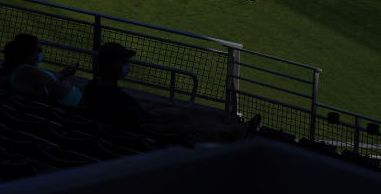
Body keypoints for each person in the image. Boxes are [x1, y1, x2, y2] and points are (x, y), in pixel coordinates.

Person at [82, 42, 260, 144]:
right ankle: (232, 133)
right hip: (144, 135)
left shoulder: (92, 87)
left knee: (178, 114)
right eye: (124, 61)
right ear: (114, 66)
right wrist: (171, 124)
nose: (127, 65)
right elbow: (144, 127)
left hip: (133, 126)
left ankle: (232, 130)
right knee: (187, 123)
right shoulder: (118, 98)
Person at [2, 33, 82, 107]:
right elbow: (59, 89)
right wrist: (71, 80)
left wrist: (60, 75)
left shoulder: (25, 70)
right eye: (39, 50)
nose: (40, 53)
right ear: (30, 53)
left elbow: (46, 83)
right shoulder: (25, 70)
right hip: (72, 110)